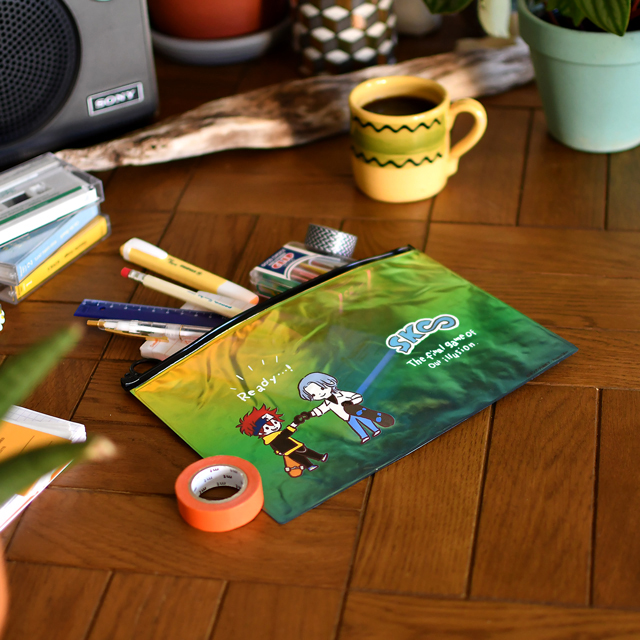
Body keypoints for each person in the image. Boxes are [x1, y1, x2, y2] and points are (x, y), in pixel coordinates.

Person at [297, 372, 394, 444]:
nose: (320, 393)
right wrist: (310, 414)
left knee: (365, 419)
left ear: (329, 383)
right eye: (314, 395)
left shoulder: (342, 394)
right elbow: (321, 409)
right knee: (355, 425)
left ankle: (375, 429)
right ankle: (364, 436)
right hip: (346, 416)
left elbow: (357, 397)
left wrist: (351, 402)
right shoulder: (327, 403)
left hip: (356, 410)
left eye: (322, 388)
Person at [236, 404, 328, 476]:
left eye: (275, 422)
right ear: (260, 433)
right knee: (304, 454)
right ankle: (315, 461)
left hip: (290, 449)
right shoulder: (273, 438)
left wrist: (278, 451)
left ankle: (315, 461)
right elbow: (285, 434)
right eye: (268, 427)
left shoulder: (271, 438)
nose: (274, 426)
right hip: (292, 448)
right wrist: (295, 423)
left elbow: (276, 445)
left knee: (303, 455)